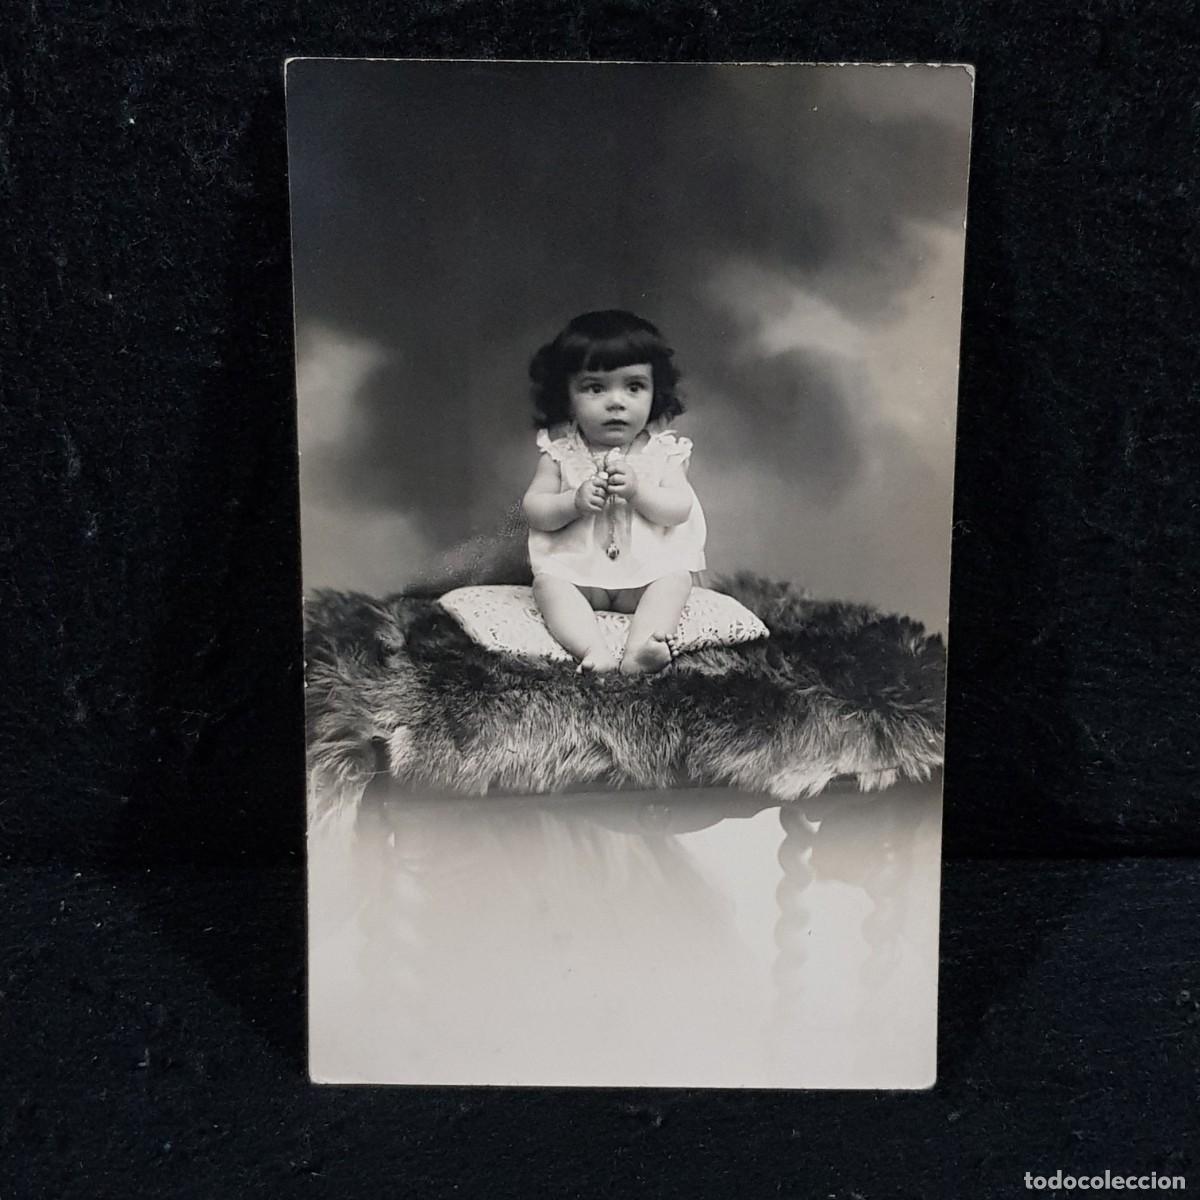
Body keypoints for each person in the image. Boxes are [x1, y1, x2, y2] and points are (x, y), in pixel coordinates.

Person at [521, 310, 707, 674]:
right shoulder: (562, 453)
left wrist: (639, 492)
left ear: (656, 393)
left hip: (644, 576)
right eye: (595, 388)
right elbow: (535, 508)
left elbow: (679, 508)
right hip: (580, 575)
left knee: (675, 579)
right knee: (547, 584)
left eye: (634, 386)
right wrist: (572, 502)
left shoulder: (662, 453)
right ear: (567, 397)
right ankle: (593, 650)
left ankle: (641, 650)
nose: (616, 402)